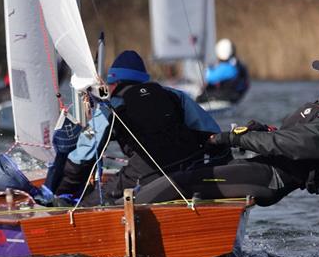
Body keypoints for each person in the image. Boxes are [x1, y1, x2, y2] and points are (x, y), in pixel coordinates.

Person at [136, 50, 319, 206]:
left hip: (268, 179)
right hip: (261, 169)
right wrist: (262, 130)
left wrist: (233, 139)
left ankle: (124, 216)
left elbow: (288, 145)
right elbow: (288, 137)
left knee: (180, 182)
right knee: (190, 169)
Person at [51, 50, 223, 206]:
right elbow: (212, 133)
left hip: (146, 174)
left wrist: (63, 191)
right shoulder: (176, 96)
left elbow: (84, 154)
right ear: (143, 79)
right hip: (192, 168)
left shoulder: (110, 107)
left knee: (89, 202)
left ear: (114, 82)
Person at [200, 38, 250, 103]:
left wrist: (207, 68)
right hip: (232, 96)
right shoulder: (237, 65)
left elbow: (208, 77)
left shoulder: (228, 68)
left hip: (226, 96)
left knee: (200, 98)